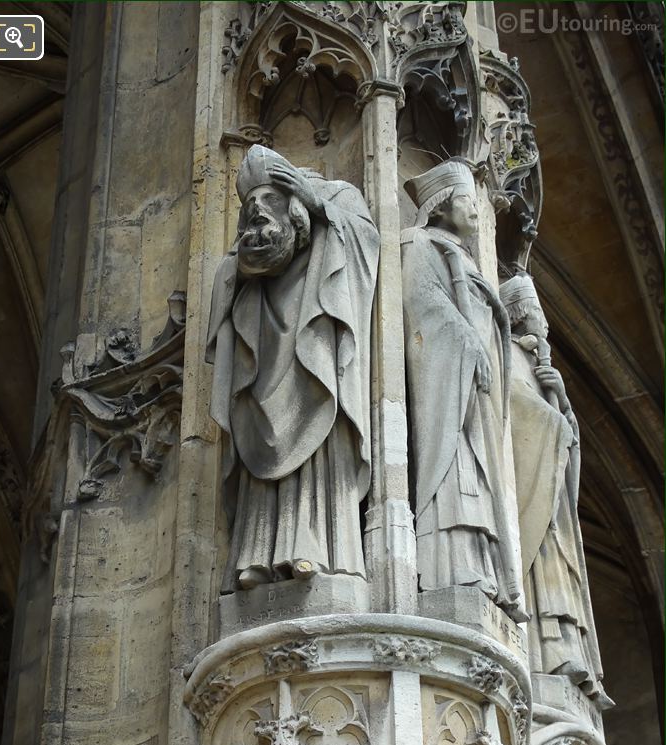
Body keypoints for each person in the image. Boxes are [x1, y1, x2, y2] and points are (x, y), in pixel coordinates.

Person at [206, 145, 379, 593]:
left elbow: (365, 242)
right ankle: (256, 555)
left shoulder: (337, 200)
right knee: (260, 445)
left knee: (320, 435)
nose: (259, 214)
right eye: (250, 208)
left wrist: (315, 201)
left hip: (316, 355)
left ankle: (318, 549)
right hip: (266, 357)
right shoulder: (253, 242)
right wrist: (245, 262)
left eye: (270, 202)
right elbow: (227, 276)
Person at [401, 158, 525, 621]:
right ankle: (448, 569)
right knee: (454, 474)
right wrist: (466, 340)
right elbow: (420, 304)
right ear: (440, 206)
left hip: (475, 397)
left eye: (477, 202)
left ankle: (481, 570)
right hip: (446, 387)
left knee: (478, 478)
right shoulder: (419, 244)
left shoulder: (467, 262)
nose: (475, 211)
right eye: (466, 201)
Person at [501, 274, 612, 707]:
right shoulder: (508, 354)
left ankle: (568, 654)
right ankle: (546, 655)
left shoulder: (538, 365)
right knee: (542, 575)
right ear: (517, 315)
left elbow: (566, 432)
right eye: (535, 315)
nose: (544, 327)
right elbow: (513, 412)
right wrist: (552, 419)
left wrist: (560, 399)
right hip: (534, 486)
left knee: (561, 574)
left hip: (555, 498)